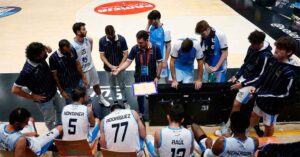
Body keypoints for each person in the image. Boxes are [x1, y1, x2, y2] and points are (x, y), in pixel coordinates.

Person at [215, 30, 273, 136]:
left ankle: (230, 128)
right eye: (250, 43)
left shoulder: (266, 56)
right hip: (244, 78)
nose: (251, 46)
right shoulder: (251, 47)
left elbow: (260, 77)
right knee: (227, 88)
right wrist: (236, 76)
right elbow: (245, 64)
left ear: (260, 43)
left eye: (253, 44)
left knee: (237, 103)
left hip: (254, 83)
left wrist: (242, 84)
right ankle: (231, 124)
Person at [248, 36, 298, 137]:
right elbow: (264, 75)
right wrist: (256, 86)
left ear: (289, 53)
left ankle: (267, 146)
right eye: (277, 47)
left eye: (280, 49)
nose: (276, 50)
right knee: (254, 115)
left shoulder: (290, 74)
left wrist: (260, 94)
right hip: (261, 99)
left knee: (268, 125)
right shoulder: (273, 60)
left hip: (272, 106)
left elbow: (286, 94)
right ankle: (245, 133)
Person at [11, 42, 65, 130]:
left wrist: (47, 49)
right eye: (43, 54)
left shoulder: (38, 57)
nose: (46, 55)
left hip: (53, 92)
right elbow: (15, 89)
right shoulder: (27, 72)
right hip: (44, 100)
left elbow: (48, 49)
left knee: (60, 110)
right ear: (36, 56)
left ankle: (60, 127)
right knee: (50, 120)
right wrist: (32, 97)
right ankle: (54, 135)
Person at [112, 30, 163, 117]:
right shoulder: (135, 48)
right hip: (139, 77)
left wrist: (157, 77)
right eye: (138, 42)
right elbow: (128, 62)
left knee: (152, 97)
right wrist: (119, 69)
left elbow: (160, 63)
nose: (139, 44)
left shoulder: (156, 48)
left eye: (141, 42)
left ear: (147, 40)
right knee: (140, 97)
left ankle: (153, 113)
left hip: (151, 77)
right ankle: (141, 113)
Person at [71, 22, 110, 107]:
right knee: (85, 90)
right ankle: (87, 105)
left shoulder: (89, 40)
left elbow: (90, 51)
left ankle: (101, 98)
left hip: (91, 67)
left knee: (96, 84)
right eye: (83, 29)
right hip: (82, 71)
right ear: (78, 32)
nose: (86, 31)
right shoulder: (72, 46)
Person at [192, 111, 258, 157]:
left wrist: (208, 146)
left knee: (194, 126)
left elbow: (206, 156)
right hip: (229, 140)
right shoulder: (254, 141)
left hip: (214, 149)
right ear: (247, 125)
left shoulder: (222, 142)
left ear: (231, 127)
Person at [49, 39, 88, 104]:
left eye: (70, 48)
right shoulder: (53, 58)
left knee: (84, 100)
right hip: (67, 87)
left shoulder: (72, 50)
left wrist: (83, 77)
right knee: (71, 104)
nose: (70, 51)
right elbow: (55, 76)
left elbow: (78, 64)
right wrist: (61, 91)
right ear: (62, 49)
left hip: (78, 81)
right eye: (67, 50)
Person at [99, 25, 129, 108]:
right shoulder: (102, 41)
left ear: (114, 32)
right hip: (109, 69)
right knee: (112, 86)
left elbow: (126, 53)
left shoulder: (121, 39)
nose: (111, 37)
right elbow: (102, 55)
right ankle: (115, 103)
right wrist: (110, 66)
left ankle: (125, 101)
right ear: (106, 34)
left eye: (113, 35)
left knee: (122, 85)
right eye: (109, 36)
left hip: (121, 68)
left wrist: (120, 67)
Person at [146, 10, 171, 83]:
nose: (150, 22)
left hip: (161, 58)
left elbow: (168, 46)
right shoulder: (151, 28)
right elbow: (144, 37)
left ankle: (170, 93)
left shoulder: (165, 30)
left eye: (151, 20)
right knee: (154, 77)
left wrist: (165, 61)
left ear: (156, 19)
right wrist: (148, 25)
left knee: (166, 78)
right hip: (151, 57)